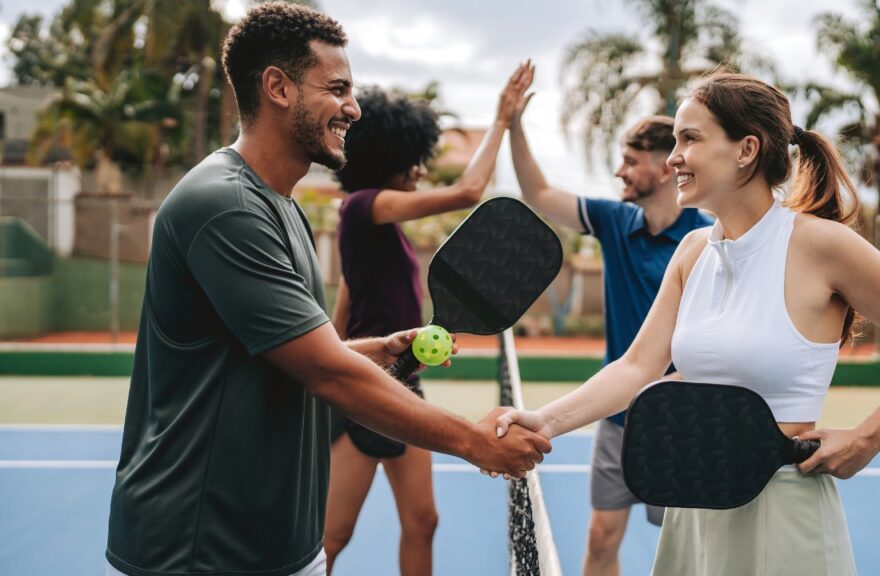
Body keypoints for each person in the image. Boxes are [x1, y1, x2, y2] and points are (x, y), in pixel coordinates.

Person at [104, 5, 549, 576]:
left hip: (277, 546)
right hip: (201, 550)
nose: (353, 108)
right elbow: (325, 371)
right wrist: (473, 441)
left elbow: (291, 355)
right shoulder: (227, 208)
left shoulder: (283, 209)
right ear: (277, 88)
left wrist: (381, 350)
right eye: (337, 88)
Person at [493, 72, 880, 576]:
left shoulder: (823, 244)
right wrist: (544, 420)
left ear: (746, 150)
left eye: (690, 139)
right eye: (674, 141)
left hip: (781, 509)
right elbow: (636, 368)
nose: (673, 156)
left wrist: (870, 438)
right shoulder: (693, 251)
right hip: (693, 507)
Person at [323, 65, 532, 575]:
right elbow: (468, 191)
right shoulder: (362, 206)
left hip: (402, 384)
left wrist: (363, 350)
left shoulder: (374, 226)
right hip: (366, 392)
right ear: (386, 158)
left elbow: (346, 307)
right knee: (330, 538)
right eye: (412, 161)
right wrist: (502, 119)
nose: (419, 170)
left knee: (422, 521)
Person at [504, 64, 712, 575]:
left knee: (689, 552)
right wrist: (513, 125)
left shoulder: (709, 239)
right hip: (619, 418)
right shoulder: (616, 221)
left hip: (685, 421)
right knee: (600, 538)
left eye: (630, 161)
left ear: (667, 167)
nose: (619, 172)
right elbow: (540, 195)